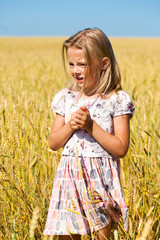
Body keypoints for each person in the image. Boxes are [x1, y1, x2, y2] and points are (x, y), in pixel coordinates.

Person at [43, 28, 134, 240]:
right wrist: (70, 126)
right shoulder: (66, 98)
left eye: (82, 64)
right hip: (68, 178)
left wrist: (90, 126)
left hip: (99, 181)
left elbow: (121, 148)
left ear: (104, 64)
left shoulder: (116, 100)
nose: (75, 70)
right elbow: (53, 142)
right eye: (71, 64)